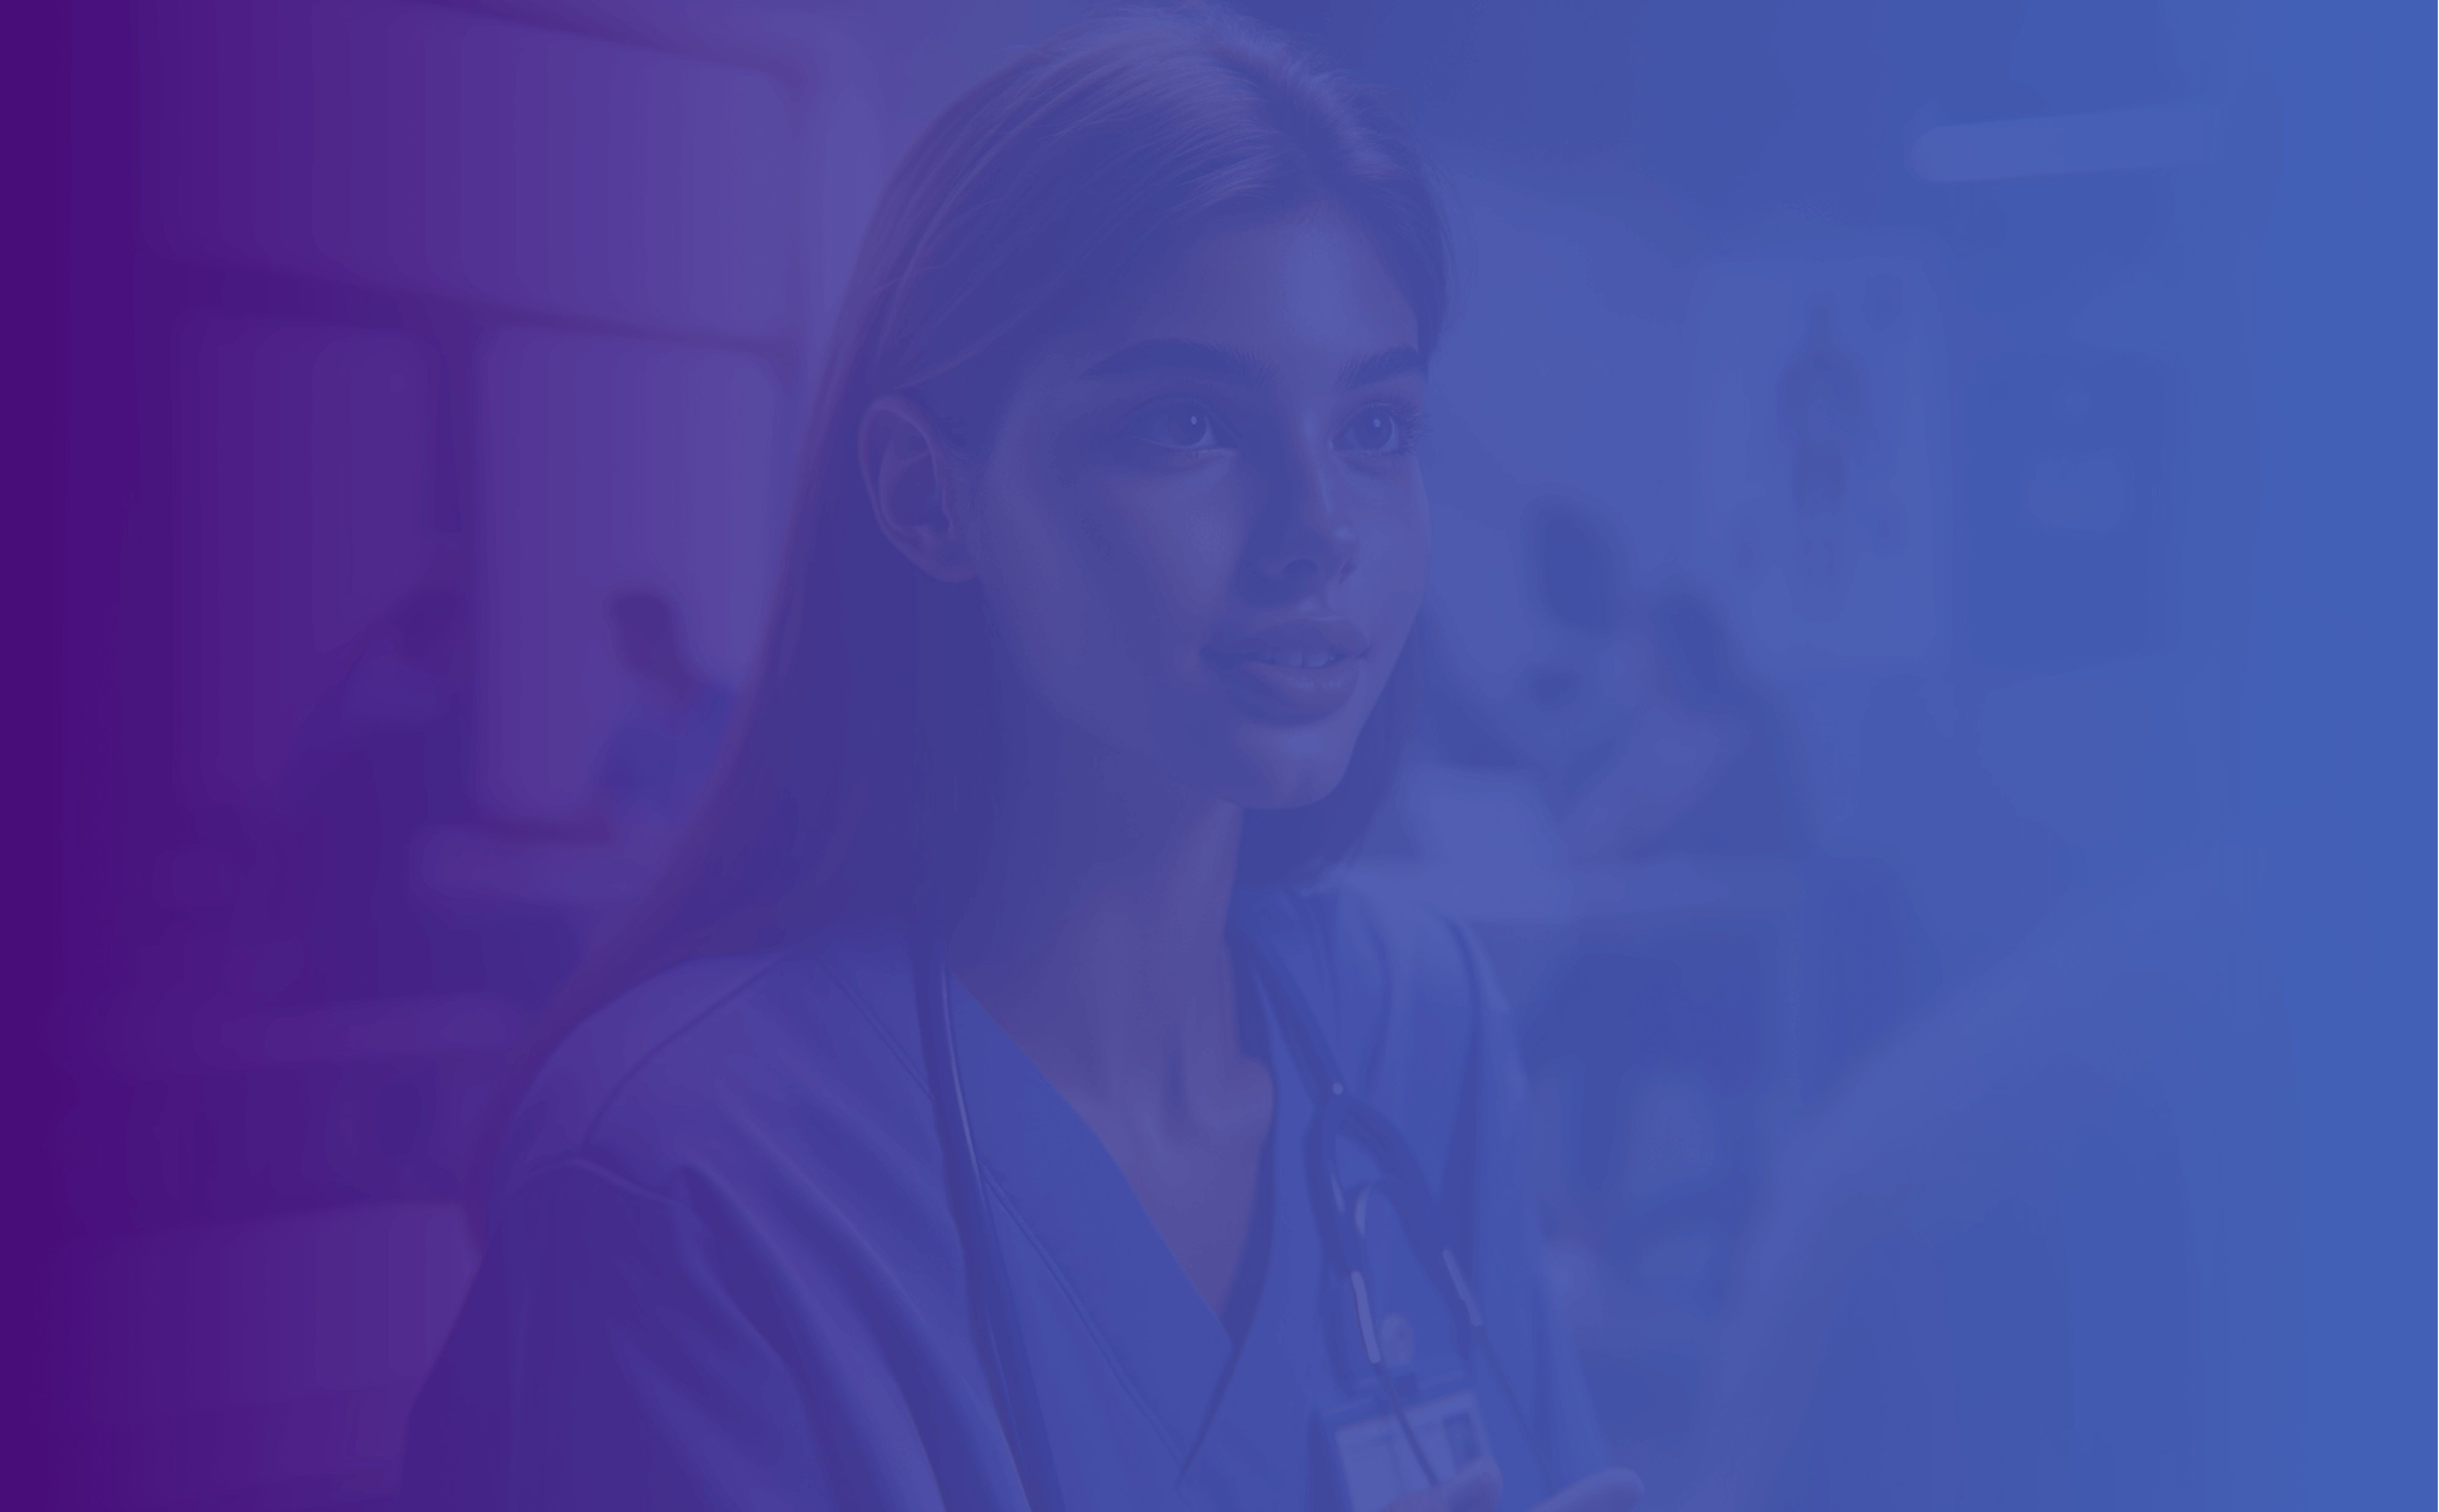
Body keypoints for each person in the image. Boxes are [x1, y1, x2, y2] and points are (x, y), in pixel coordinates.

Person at [403, 10, 1640, 1510]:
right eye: (1188, 426)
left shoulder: (1411, 1021)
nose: (1322, 522)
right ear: (928, 500)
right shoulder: (685, 1173)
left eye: (1375, 425)